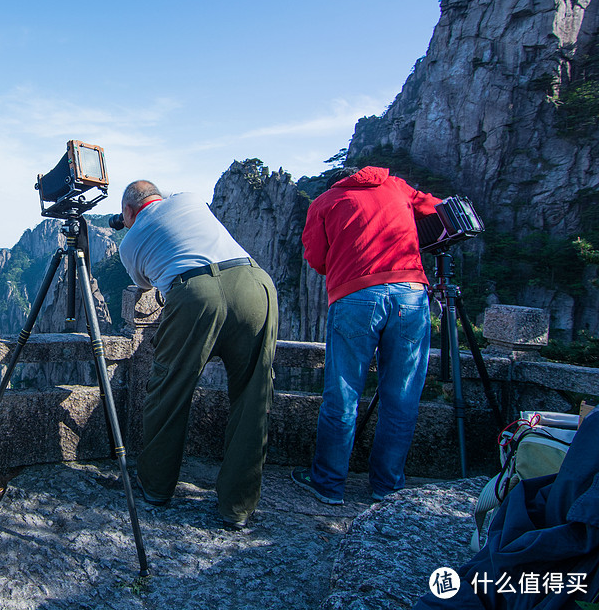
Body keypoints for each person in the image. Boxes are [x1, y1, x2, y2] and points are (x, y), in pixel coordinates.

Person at [117, 180, 278, 530]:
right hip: (255, 283)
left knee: (170, 389)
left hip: (195, 295)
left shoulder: (128, 243)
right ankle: (237, 506)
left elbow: (146, 283)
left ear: (128, 212)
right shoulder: (189, 199)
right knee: (254, 395)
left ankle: (157, 486)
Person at [292, 166, 441, 505]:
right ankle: (387, 488)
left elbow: (316, 258)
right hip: (411, 294)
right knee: (402, 397)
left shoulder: (326, 201)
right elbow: (435, 207)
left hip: (356, 296)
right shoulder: (396, 186)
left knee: (342, 395)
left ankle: (328, 484)